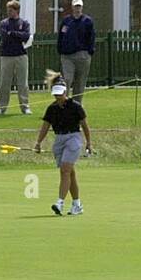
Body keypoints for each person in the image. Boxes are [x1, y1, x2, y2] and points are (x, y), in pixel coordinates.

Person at [33, 72, 93, 216]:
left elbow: (85, 126)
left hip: (74, 138)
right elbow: (45, 127)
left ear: (65, 92)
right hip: (59, 140)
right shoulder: (51, 109)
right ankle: (77, 204)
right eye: (55, 95)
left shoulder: (75, 106)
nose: (58, 97)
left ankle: (59, 202)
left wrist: (89, 143)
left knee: (65, 170)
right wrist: (38, 143)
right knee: (70, 173)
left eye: (60, 94)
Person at [0, 0, 31, 115]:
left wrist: (13, 33)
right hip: (6, 56)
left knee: (22, 83)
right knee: (4, 82)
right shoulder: (4, 23)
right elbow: (5, 36)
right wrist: (16, 35)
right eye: (8, 10)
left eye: (11, 10)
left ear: (17, 10)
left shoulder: (24, 23)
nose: (9, 12)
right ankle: (1, 107)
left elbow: (26, 36)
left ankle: (25, 106)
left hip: (21, 55)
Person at [58, 0, 96, 103]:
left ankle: (76, 105)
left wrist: (89, 51)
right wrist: (60, 49)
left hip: (82, 55)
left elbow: (91, 37)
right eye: (76, 6)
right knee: (67, 79)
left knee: (80, 82)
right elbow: (61, 36)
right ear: (72, 7)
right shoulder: (66, 21)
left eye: (79, 6)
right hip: (67, 56)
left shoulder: (87, 21)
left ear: (82, 7)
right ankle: (63, 102)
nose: (77, 8)